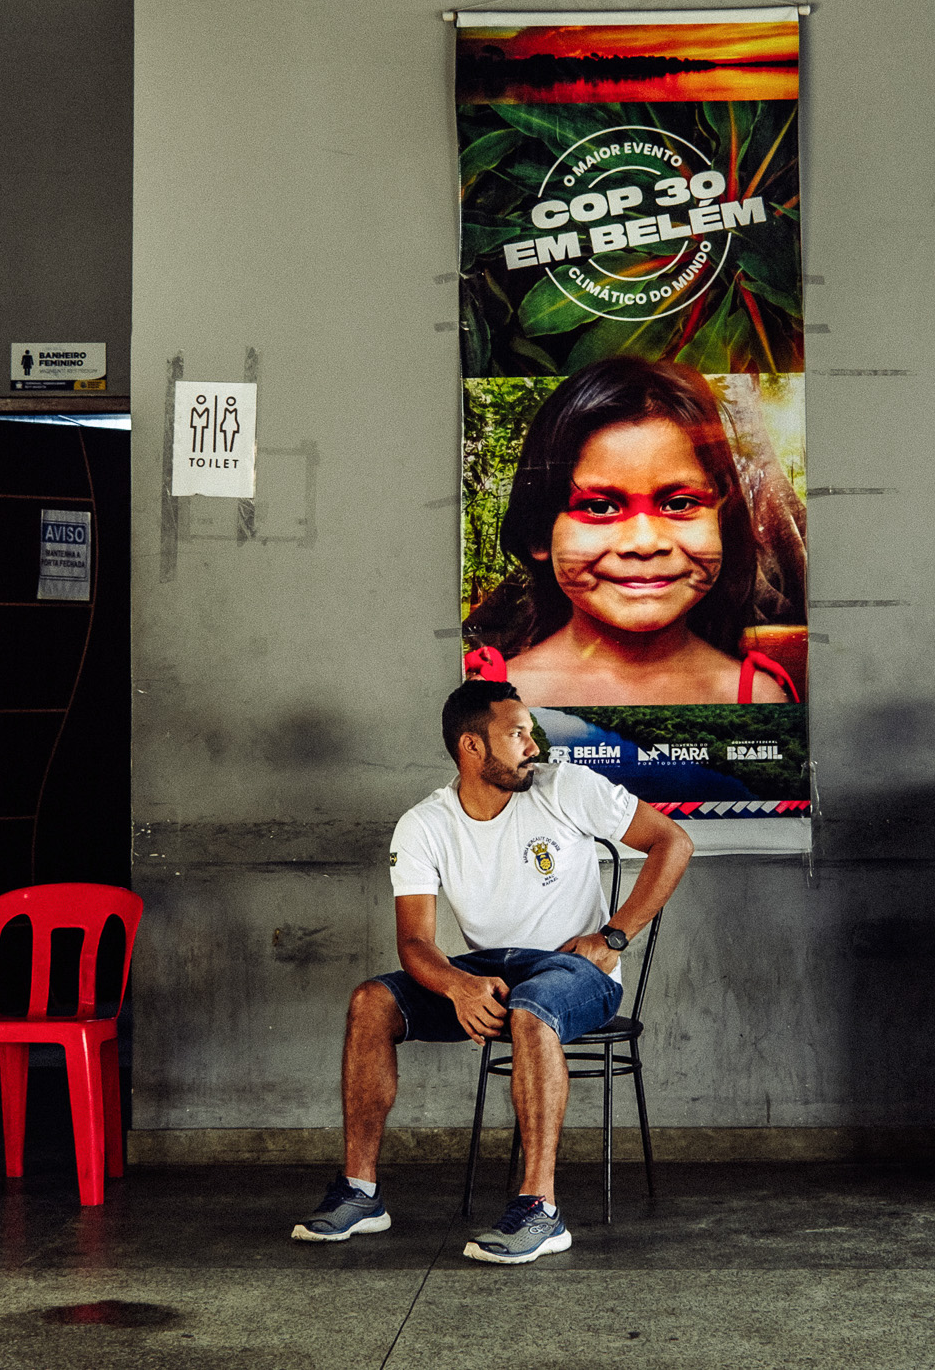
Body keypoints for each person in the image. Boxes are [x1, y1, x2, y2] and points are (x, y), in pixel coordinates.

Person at [291, 679, 693, 1264]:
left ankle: (540, 1210)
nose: (533, 745)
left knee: (533, 1009)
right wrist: (456, 983)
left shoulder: (566, 787)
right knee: (370, 1002)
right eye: (517, 734)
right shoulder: (424, 824)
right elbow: (415, 942)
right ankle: (360, 1192)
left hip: (574, 970)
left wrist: (613, 937)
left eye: (531, 732)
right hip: (487, 973)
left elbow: (672, 843)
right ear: (471, 748)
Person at [465, 356, 801, 705]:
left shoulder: (757, 697)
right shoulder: (493, 700)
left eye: (679, 503)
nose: (644, 542)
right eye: (599, 507)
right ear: (539, 531)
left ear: (721, 515)